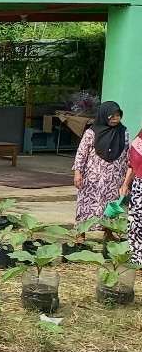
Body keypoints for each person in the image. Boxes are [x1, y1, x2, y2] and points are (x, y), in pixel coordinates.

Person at [73, 101, 129, 240]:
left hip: (114, 177)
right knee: (86, 205)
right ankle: (81, 234)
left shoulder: (123, 131)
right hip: (92, 178)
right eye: (112, 116)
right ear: (104, 115)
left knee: (111, 206)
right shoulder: (91, 132)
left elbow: (128, 153)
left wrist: (127, 180)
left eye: (118, 115)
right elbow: (81, 153)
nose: (116, 119)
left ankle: (108, 233)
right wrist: (78, 173)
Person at [121, 118, 142, 263]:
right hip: (139, 186)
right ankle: (137, 259)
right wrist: (125, 184)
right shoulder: (140, 138)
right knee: (135, 222)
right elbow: (133, 163)